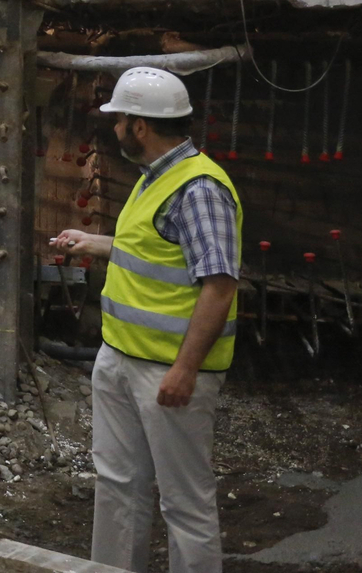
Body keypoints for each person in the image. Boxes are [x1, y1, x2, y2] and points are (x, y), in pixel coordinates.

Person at [51, 66, 242, 573]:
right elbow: (158, 252)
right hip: (120, 358)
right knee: (117, 487)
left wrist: (184, 369)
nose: (112, 130)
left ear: (139, 126)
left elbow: (219, 286)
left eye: (118, 121)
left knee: (185, 503)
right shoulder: (156, 178)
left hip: (168, 372)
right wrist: (96, 243)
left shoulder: (199, 188)